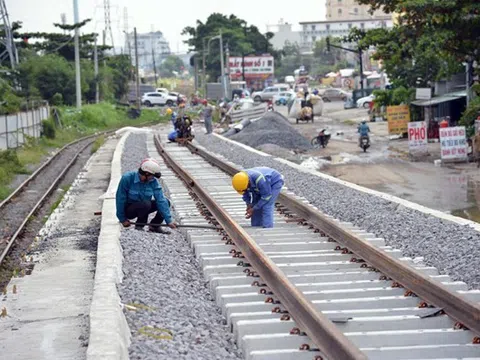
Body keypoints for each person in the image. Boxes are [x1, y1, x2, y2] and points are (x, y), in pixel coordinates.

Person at [116, 158, 177, 234]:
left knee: (166, 202)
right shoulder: (127, 178)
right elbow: (120, 199)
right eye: (152, 176)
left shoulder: (152, 182)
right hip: (129, 209)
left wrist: (169, 220)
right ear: (146, 173)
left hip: (144, 205)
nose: (153, 178)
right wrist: (122, 219)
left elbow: (160, 199)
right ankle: (139, 226)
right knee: (146, 204)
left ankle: (154, 226)